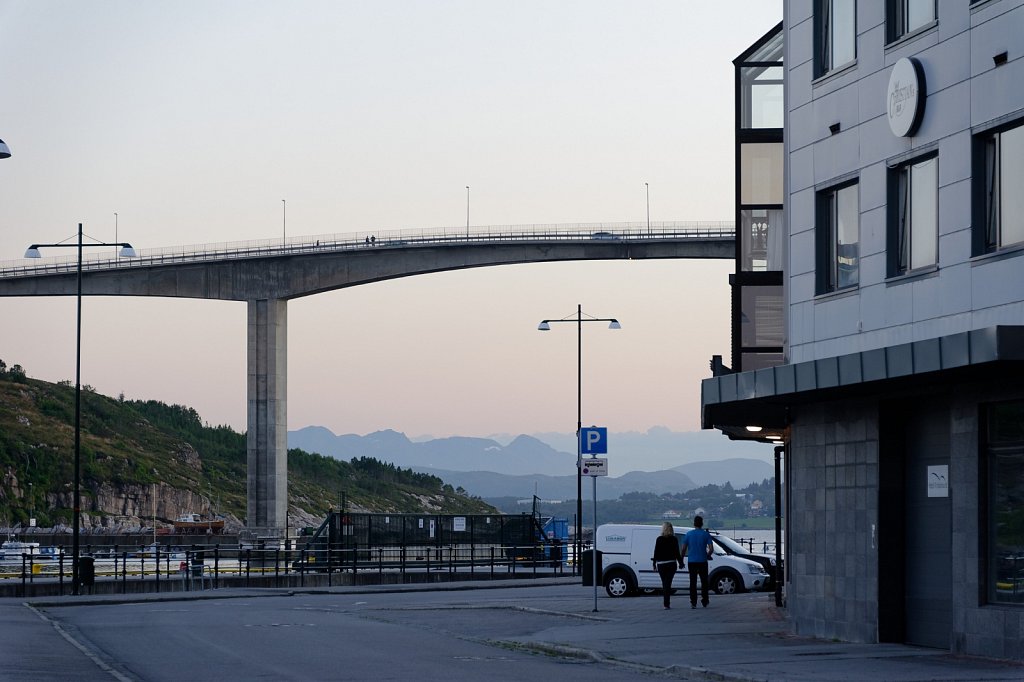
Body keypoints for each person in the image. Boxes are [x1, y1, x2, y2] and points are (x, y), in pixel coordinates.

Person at [681, 515, 714, 609]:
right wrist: (707, 555)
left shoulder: (688, 534)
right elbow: (711, 549)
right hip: (703, 561)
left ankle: (693, 602)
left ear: (694, 523)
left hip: (691, 561)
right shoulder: (706, 534)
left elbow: (683, 549)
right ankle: (705, 601)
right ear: (702, 523)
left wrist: (681, 559)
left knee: (693, 582)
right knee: (704, 582)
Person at [651, 522, 683, 609]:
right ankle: (666, 603)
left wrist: (654, 564)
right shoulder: (674, 539)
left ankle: (666, 604)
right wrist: (681, 563)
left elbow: (656, 552)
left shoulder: (659, 539)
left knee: (664, 583)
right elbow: (677, 553)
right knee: (668, 583)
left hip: (661, 564)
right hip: (671, 564)